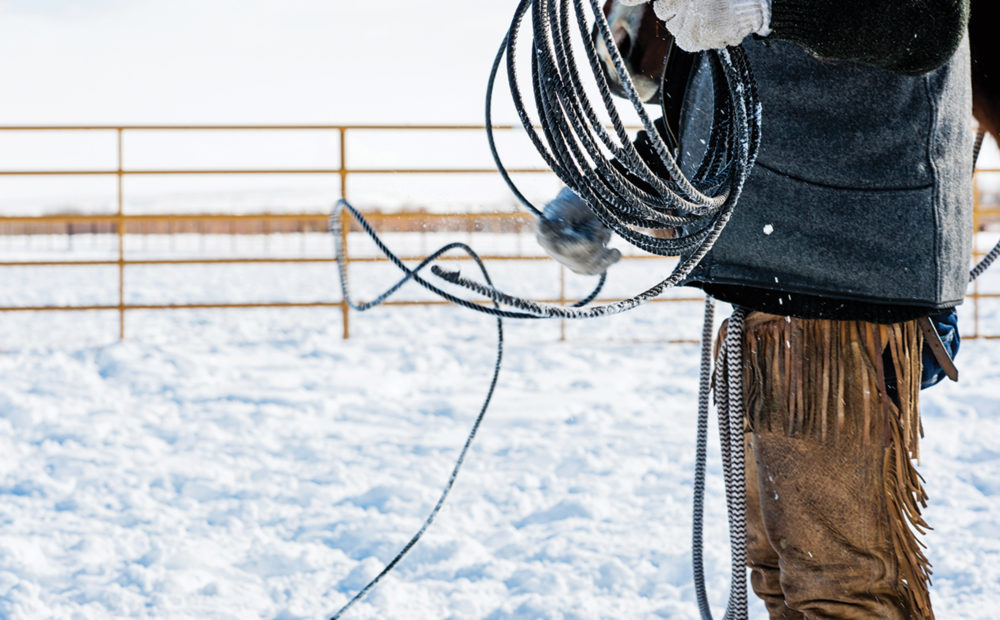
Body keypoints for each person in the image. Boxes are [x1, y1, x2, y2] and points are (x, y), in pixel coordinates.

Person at [537, 1, 973, 618]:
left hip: (842, 292)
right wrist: (610, 190)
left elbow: (924, 20)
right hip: (768, 286)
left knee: (840, 586)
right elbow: (726, 104)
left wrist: (768, 7)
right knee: (782, 576)